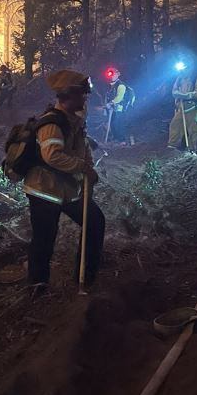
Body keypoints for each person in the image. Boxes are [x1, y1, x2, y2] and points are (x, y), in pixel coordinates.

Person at [23, 69, 105, 290]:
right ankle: (37, 285)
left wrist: (87, 168)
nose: (85, 99)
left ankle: (86, 276)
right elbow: (52, 156)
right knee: (44, 239)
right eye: (82, 94)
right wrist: (82, 168)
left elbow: (82, 145)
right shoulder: (52, 123)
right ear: (68, 96)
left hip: (67, 189)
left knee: (95, 221)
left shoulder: (74, 120)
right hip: (44, 190)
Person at [167, 66, 197, 153]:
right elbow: (174, 91)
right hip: (181, 107)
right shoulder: (180, 79)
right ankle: (172, 147)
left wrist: (185, 96)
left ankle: (191, 149)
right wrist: (178, 95)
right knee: (175, 125)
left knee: (194, 129)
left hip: (193, 107)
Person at [105, 68, 135, 145]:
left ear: (117, 75)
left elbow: (119, 97)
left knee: (118, 123)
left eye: (113, 74)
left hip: (121, 107)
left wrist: (111, 102)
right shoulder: (111, 86)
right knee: (112, 123)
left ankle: (122, 140)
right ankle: (116, 138)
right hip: (114, 108)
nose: (112, 76)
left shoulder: (121, 85)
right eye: (110, 75)